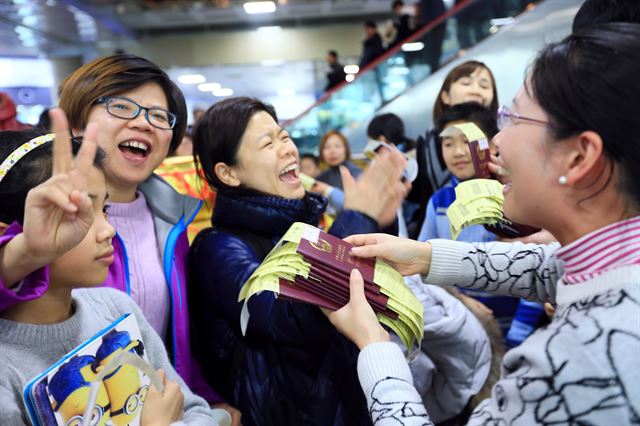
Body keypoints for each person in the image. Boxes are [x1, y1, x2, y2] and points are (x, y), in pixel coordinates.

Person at [327, 23, 640, 425]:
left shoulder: (577, 360)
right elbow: (552, 267)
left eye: (514, 119)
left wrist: (375, 348)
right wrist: (424, 255)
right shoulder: (615, 260)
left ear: (579, 158)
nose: (496, 142)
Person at [189, 96, 408, 426]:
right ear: (229, 173)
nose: (287, 149)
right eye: (267, 144)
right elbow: (287, 317)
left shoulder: (301, 228)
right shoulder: (218, 248)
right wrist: (359, 216)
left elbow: (365, 298)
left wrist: (377, 224)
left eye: (284, 136)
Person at [0, 117, 217, 425]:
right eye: (76, 214)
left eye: (103, 209)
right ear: (9, 235)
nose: (108, 231)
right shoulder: (6, 370)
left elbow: (195, 411)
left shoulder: (116, 309)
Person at [56, 54, 236, 419]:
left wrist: (203, 398)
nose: (143, 123)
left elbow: (174, 338)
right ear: (77, 123)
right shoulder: (43, 214)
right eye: (122, 106)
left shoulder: (174, 221)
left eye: (159, 116)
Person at [417, 102, 545, 348]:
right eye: (448, 143)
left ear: (490, 143)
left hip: (519, 330)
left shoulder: (514, 197)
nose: (458, 152)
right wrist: (460, 303)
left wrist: (518, 336)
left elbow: (538, 265)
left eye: (468, 141)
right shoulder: (439, 202)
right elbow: (424, 263)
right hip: (460, 327)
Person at [414, 61, 498, 232]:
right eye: (466, 83)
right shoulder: (439, 200)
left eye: (484, 85)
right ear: (445, 96)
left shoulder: (507, 192)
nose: (475, 90)